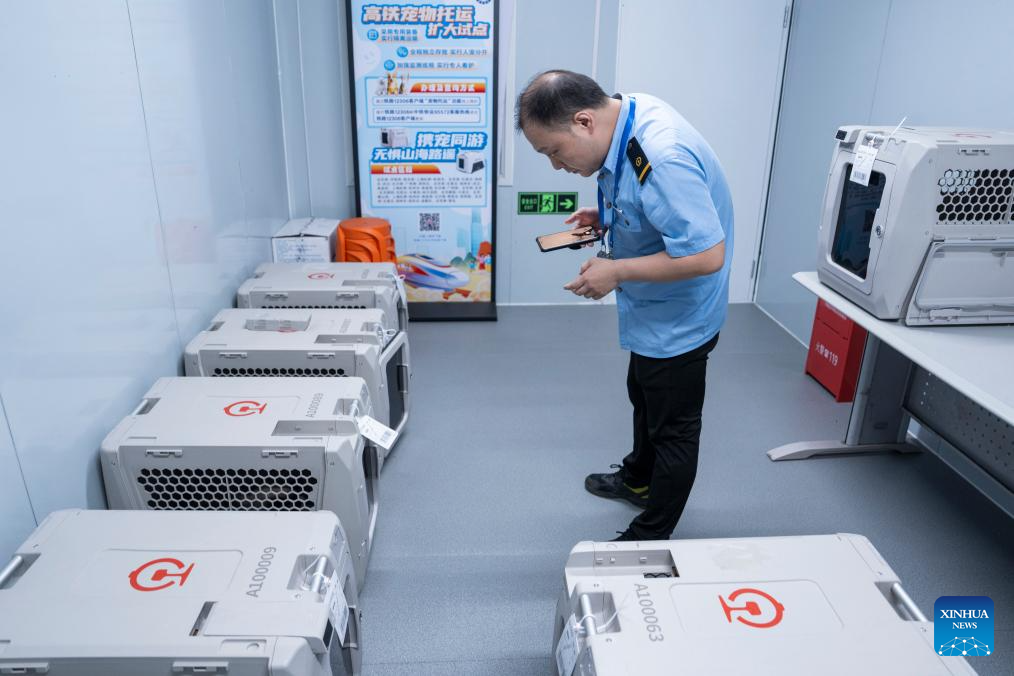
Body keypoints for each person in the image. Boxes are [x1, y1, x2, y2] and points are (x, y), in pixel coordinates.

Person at [515, 70, 734, 541]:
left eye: (555, 151)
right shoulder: (624, 113)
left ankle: (650, 536)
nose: (556, 165)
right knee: (643, 391)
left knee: (673, 428)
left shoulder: (663, 154)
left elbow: (707, 255)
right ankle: (638, 478)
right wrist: (608, 215)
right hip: (652, 306)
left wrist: (615, 272)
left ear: (583, 121)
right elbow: (648, 196)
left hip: (680, 314)